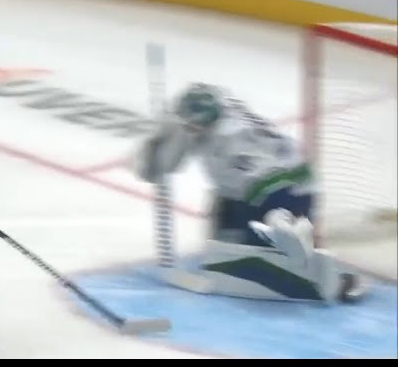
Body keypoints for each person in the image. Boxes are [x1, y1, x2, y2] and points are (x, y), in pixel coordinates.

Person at [135, 82, 365, 303]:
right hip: (285, 179)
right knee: (225, 255)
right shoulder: (222, 108)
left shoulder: (222, 137)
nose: (190, 130)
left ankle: (336, 275)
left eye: (192, 126)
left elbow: (156, 168)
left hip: (281, 190)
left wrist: (157, 145)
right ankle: (286, 242)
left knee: (269, 262)